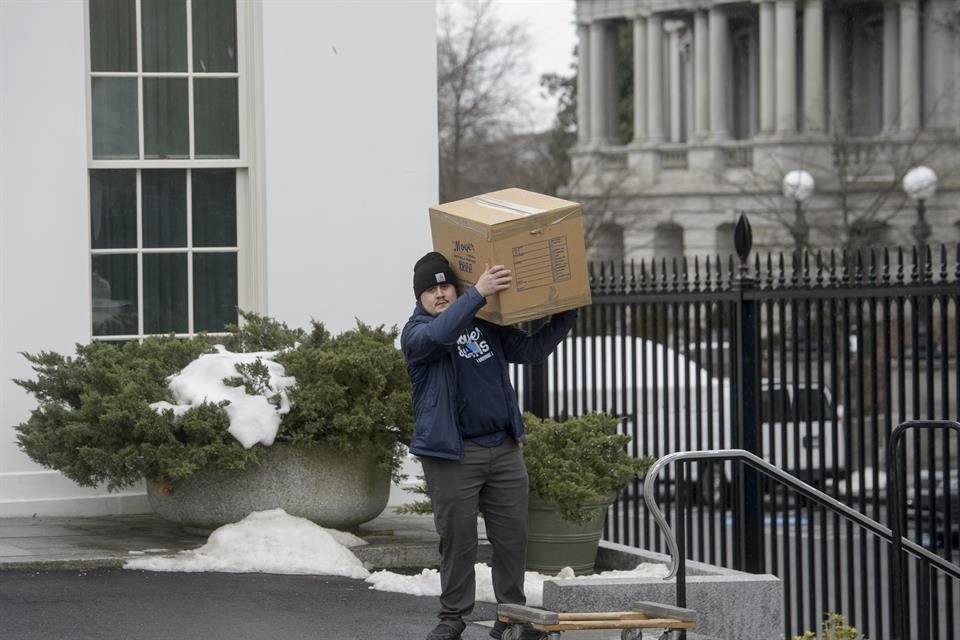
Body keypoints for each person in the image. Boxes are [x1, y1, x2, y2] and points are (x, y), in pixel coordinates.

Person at [400, 251, 578, 640]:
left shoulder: (483, 323)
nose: (441, 293)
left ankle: (510, 615)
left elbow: (530, 351)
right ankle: (452, 619)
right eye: (431, 289)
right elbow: (440, 333)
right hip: (453, 455)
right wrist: (477, 293)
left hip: (503, 448)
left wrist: (567, 314)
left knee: (513, 539)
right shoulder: (416, 335)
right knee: (459, 541)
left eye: (446, 285)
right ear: (420, 297)